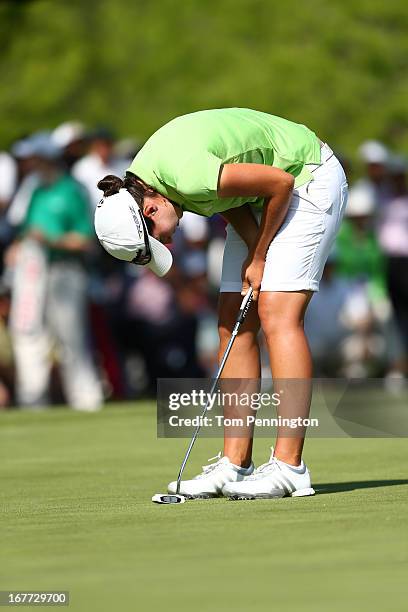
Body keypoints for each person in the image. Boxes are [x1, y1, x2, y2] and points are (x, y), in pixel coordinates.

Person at [94, 108, 348, 499]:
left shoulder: (183, 175)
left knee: (276, 313)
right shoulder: (148, 182)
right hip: (263, 196)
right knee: (232, 321)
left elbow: (279, 183)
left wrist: (260, 255)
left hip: (306, 175)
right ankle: (235, 464)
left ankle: (290, 465)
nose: (169, 243)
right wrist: (252, 249)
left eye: (158, 239)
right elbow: (222, 199)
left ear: (150, 211)